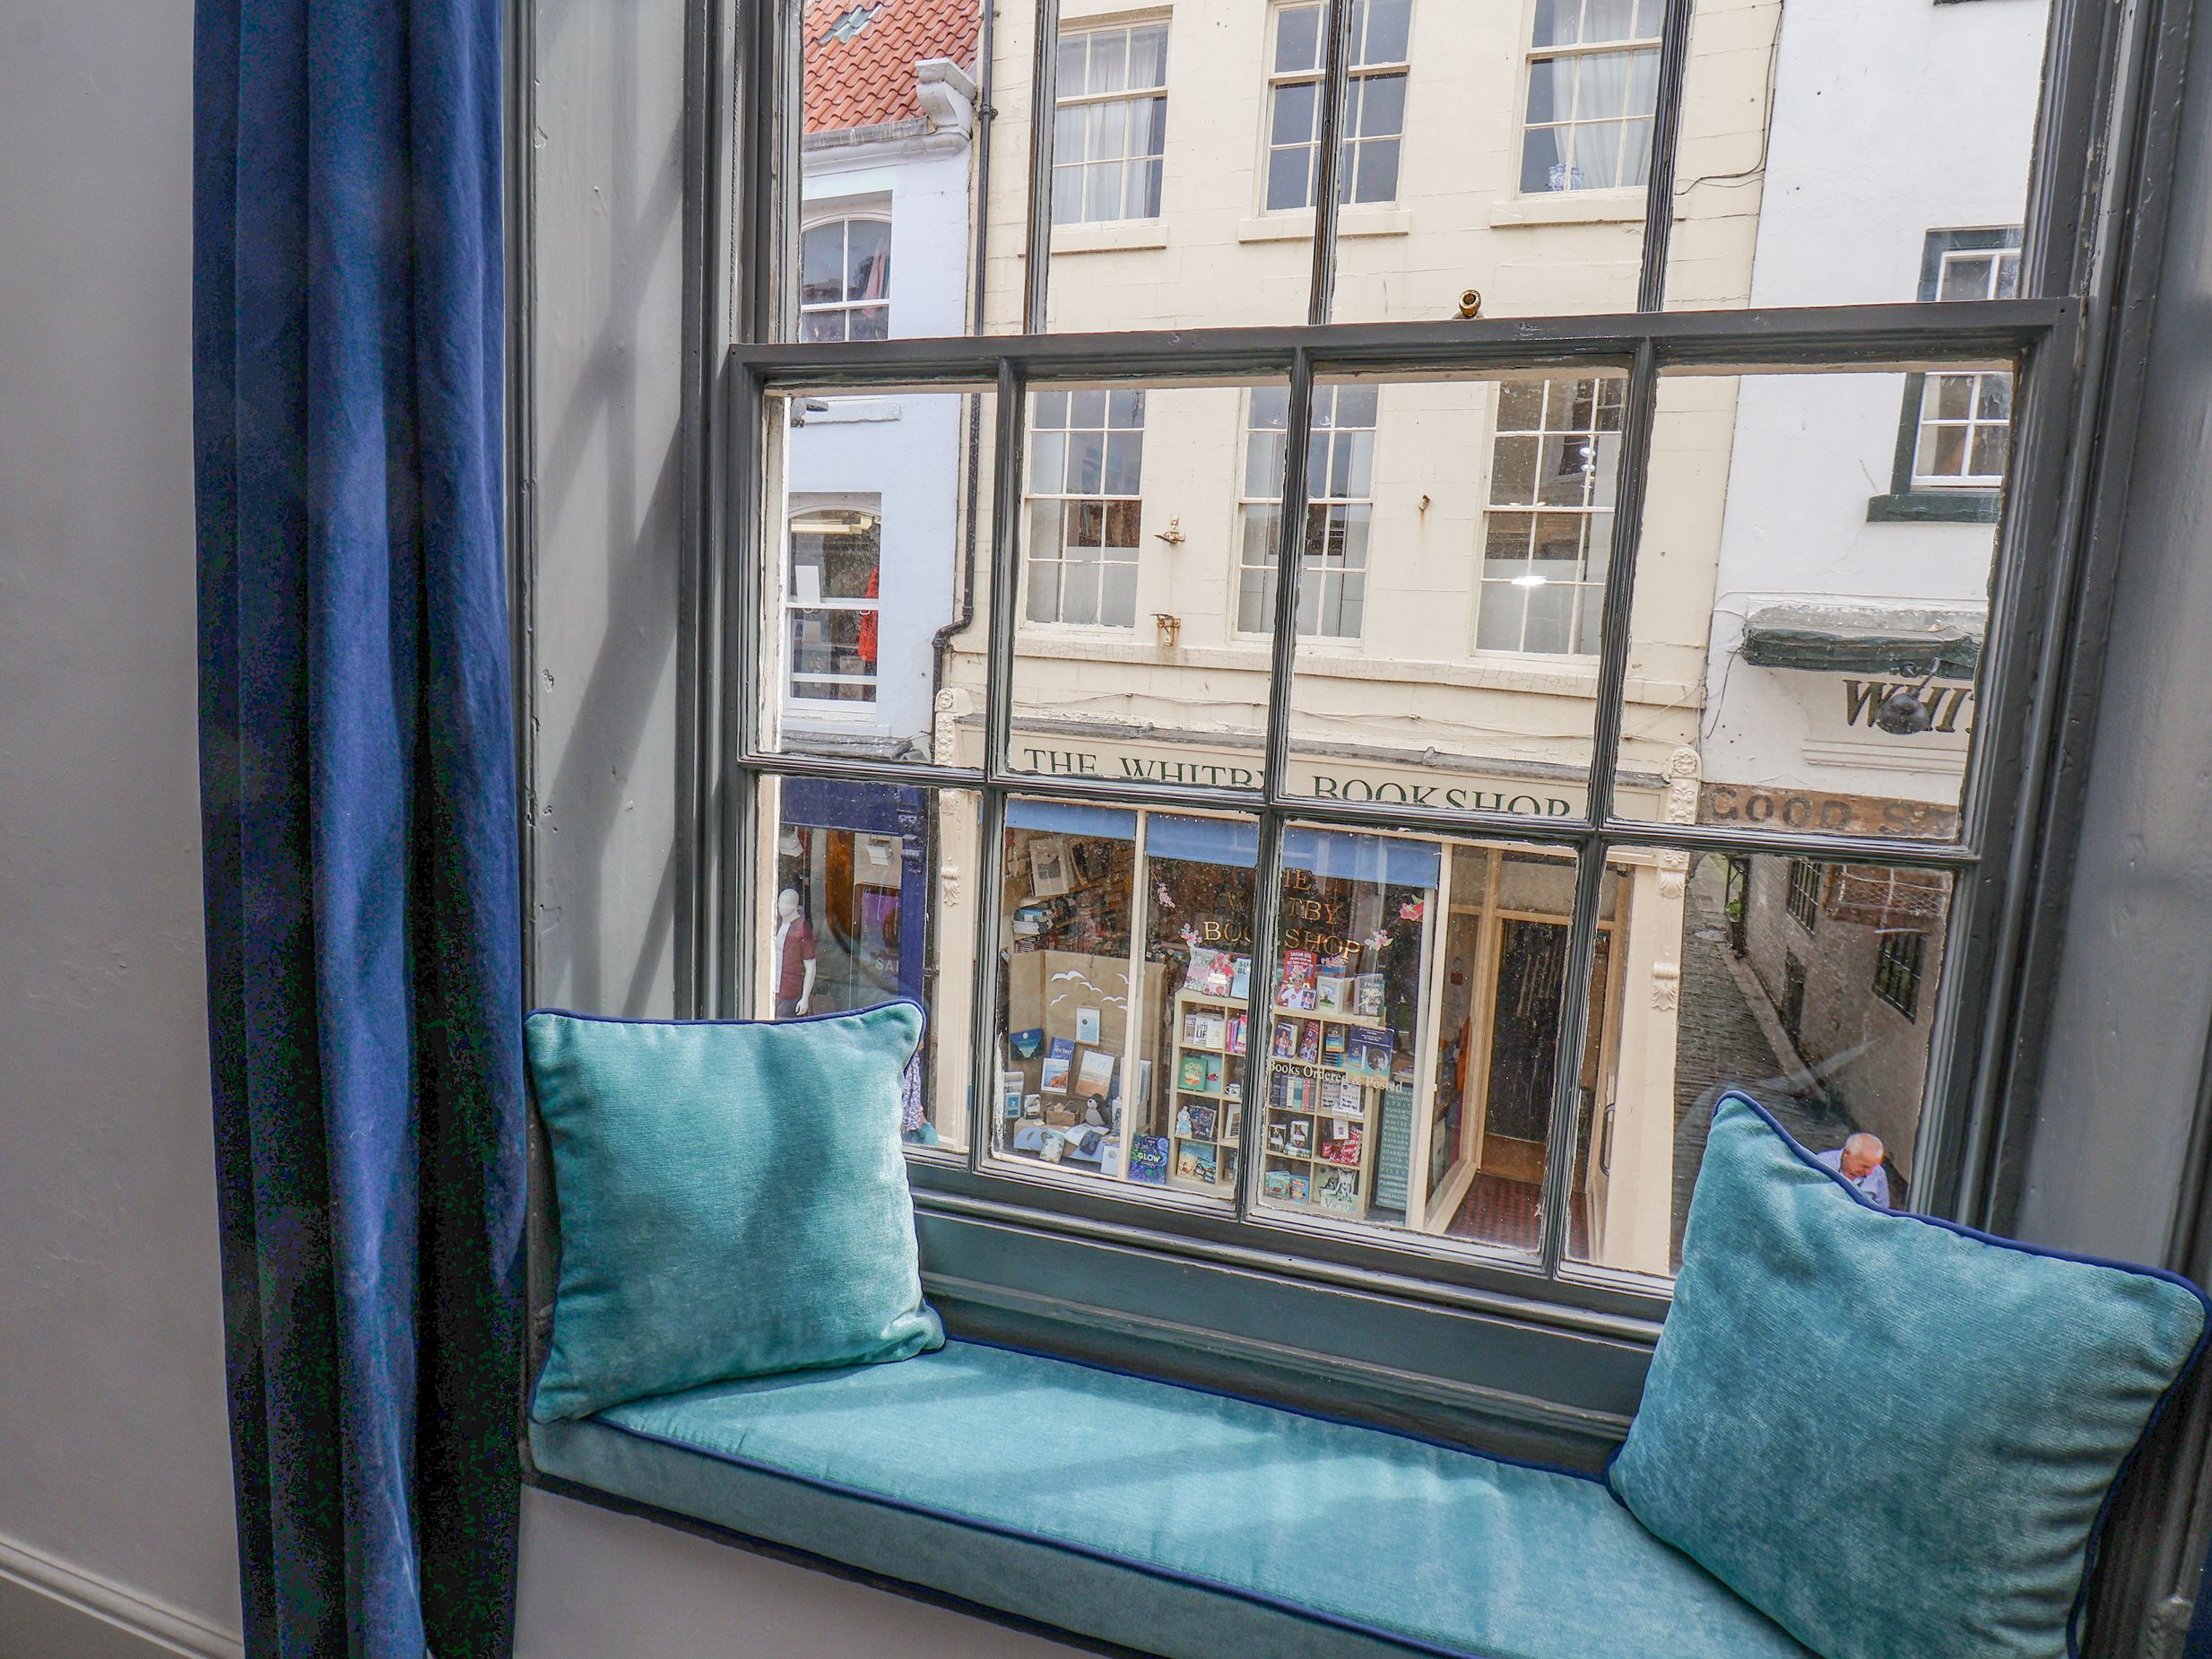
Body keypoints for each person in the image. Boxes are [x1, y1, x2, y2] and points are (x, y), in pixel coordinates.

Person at [771, 887, 817, 1018]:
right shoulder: (775, 924)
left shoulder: (802, 929)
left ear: (794, 905)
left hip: (790, 993)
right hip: (773, 991)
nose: (781, 907)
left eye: (785, 903)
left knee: (783, 1022)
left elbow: (811, 967)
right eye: (779, 902)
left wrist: (805, 998)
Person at [1816, 1132, 1891, 1208]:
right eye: (1865, 1166)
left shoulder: (1879, 1173)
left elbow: (1883, 1209)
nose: (1870, 1172)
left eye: (1873, 1167)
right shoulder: (1822, 1163)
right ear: (1847, 1153)